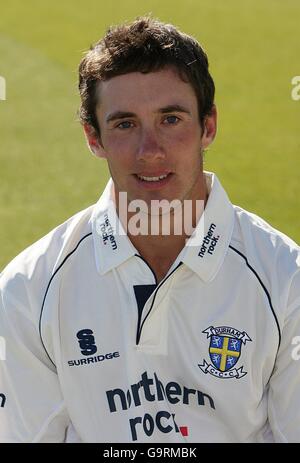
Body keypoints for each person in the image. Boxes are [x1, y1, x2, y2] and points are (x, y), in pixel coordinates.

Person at [0, 16, 299, 444]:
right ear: (93, 138)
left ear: (208, 126)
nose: (150, 150)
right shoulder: (28, 290)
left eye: (171, 119)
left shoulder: (287, 280)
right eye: (125, 124)